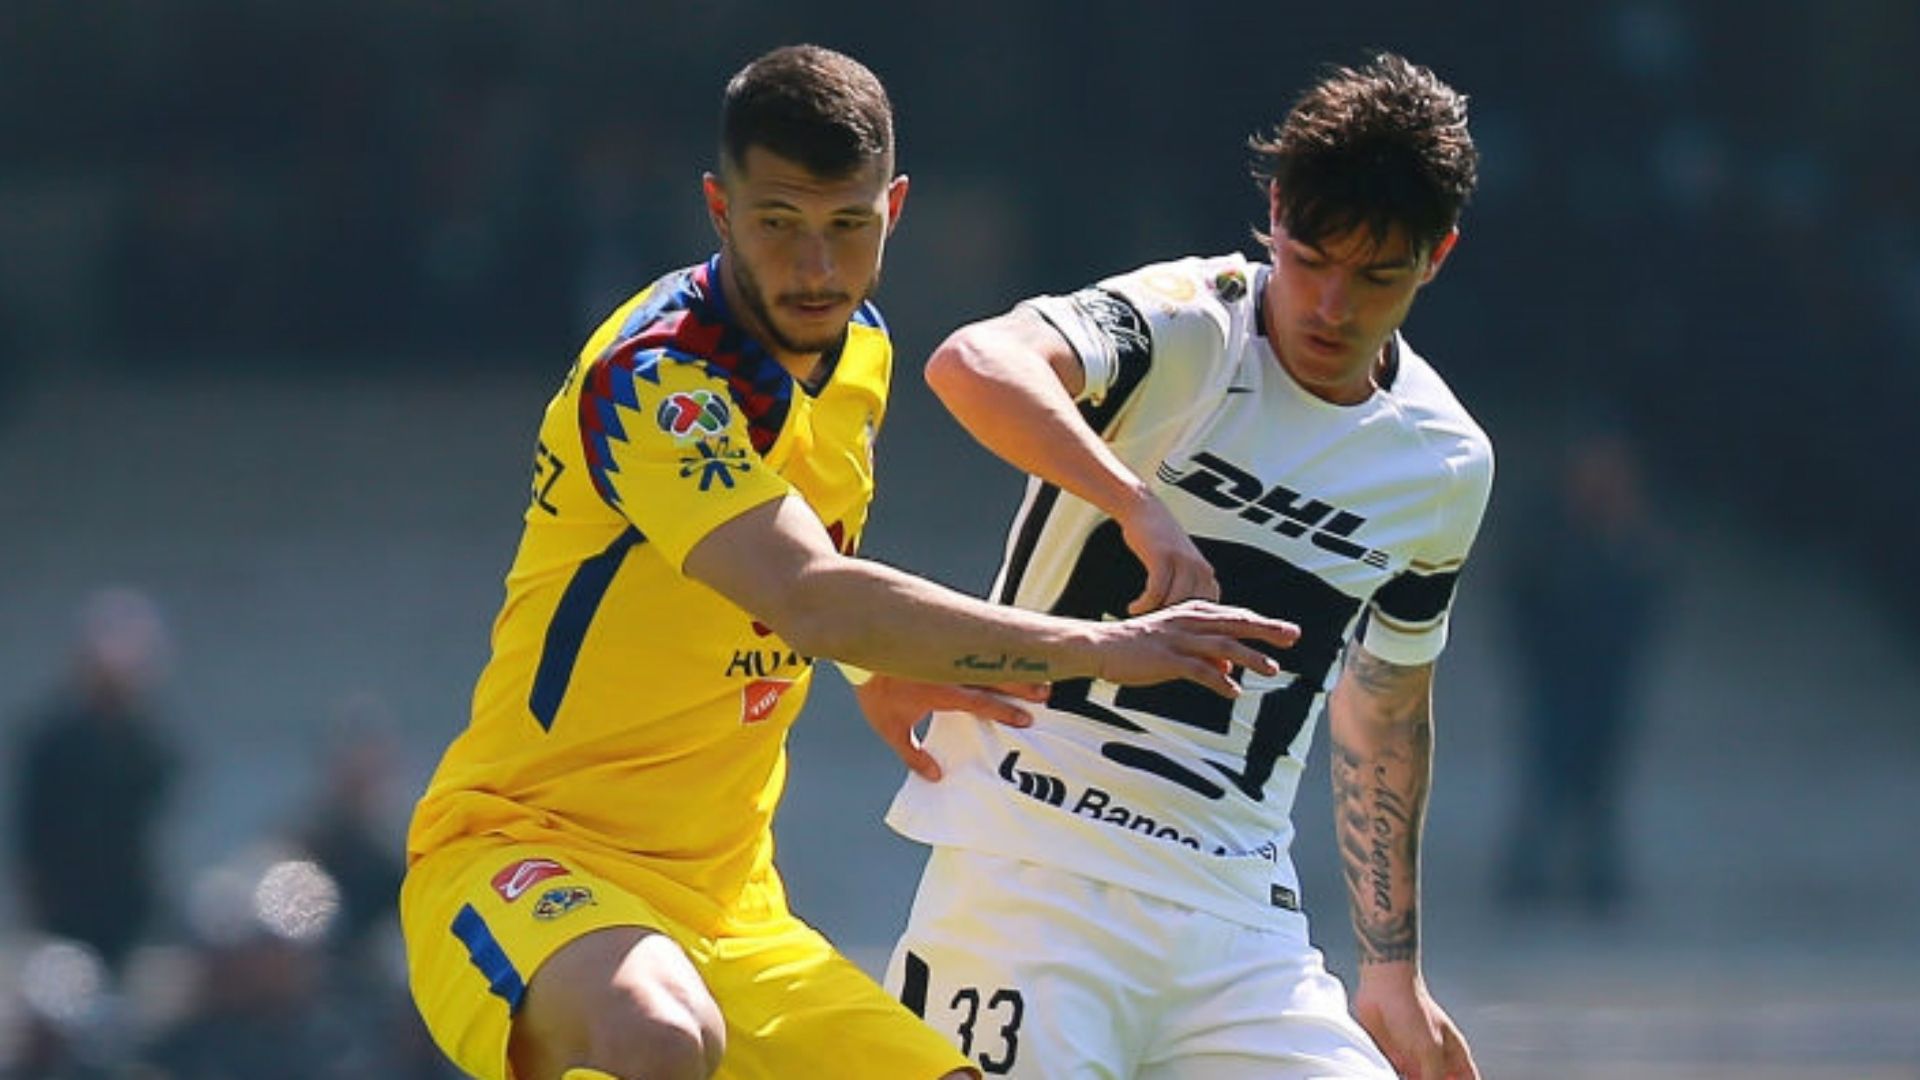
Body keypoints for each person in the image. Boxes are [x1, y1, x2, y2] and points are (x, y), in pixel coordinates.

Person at [399, 44, 1296, 1080]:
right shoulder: (658, 378)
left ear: (895, 209)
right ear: (718, 208)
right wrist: (1109, 645)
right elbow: (809, 596)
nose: (815, 269)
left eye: (846, 226)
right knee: (657, 1035)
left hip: (728, 906)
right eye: (778, 223)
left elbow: (806, 571)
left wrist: (875, 667)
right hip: (523, 853)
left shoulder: (858, 351)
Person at [872, 53, 1487, 1079]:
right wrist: (1139, 508)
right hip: (1034, 872)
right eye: (1310, 256)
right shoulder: (1190, 324)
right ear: (1276, 211)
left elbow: (1384, 706)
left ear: (1439, 256)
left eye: (1376, 274)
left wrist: (1391, 972)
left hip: (1240, 919)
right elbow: (972, 363)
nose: (1332, 305)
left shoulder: (1442, 463)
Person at [1496, 424, 1664, 915]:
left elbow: (1648, 598)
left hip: (1605, 676)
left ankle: (1597, 874)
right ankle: (1529, 875)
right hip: (1556, 673)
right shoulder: (1550, 533)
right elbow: (1524, 597)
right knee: (1547, 772)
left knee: (1600, 777)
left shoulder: (1629, 534)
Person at [8, 587, 181, 977]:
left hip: (129, 901)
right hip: (65, 902)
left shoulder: (145, 742)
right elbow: (32, 830)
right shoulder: (54, 741)